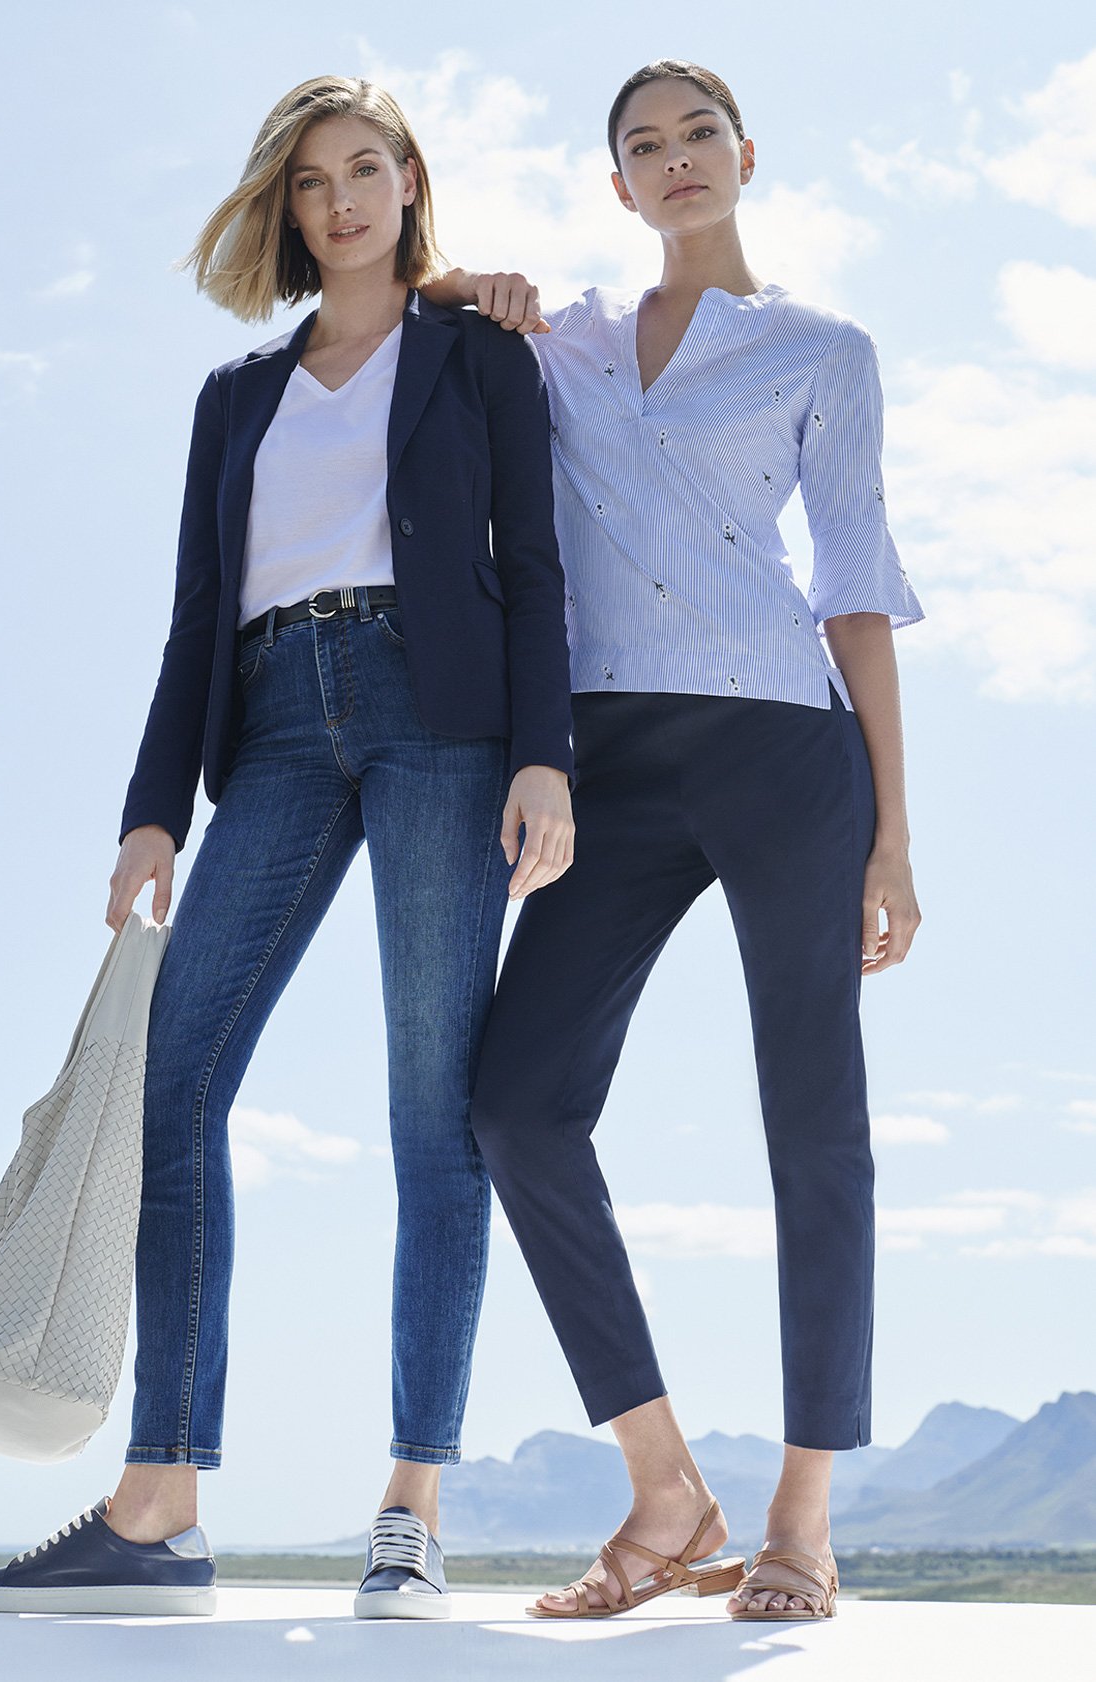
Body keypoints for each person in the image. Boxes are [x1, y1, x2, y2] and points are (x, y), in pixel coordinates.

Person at [0, 73, 574, 1622]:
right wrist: (151, 808)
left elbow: (539, 566)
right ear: (287, 208)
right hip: (277, 729)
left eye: (366, 169)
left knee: (434, 1111)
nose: (341, 200)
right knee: (175, 1078)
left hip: (442, 719)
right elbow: (189, 619)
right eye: (311, 182)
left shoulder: (481, 354)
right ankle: (161, 1502)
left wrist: (548, 757)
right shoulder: (235, 399)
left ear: (412, 181)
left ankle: (412, 1503)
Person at [431, 57, 923, 1623]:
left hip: (787, 749)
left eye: (697, 132)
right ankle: (665, 1483)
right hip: (610, 764)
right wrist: (471, 279)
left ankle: (802, 1516)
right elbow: (411, 282)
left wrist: (894, 832)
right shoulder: (561, 338)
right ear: (618, 189)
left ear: (744, 154)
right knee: (515, 1101)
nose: (675, 158)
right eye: (642, 145)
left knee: (811, 1121)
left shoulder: (823, 350)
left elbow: (853, 584)